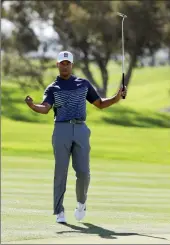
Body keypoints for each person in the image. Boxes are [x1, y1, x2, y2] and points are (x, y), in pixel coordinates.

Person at [25, 51, 127, 224]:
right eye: (62, 63)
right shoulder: (52, 88)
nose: (65, 66)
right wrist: (32, 105)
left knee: (84, 173)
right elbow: (45, 108)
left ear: (72, 65)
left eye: (68, 63)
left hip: (81, 129)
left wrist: (117, 97)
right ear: (57, 65)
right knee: (60, 172)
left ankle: (81, 203)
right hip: (61, 129)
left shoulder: (83, 84)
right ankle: (59, 211)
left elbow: (100, 104)